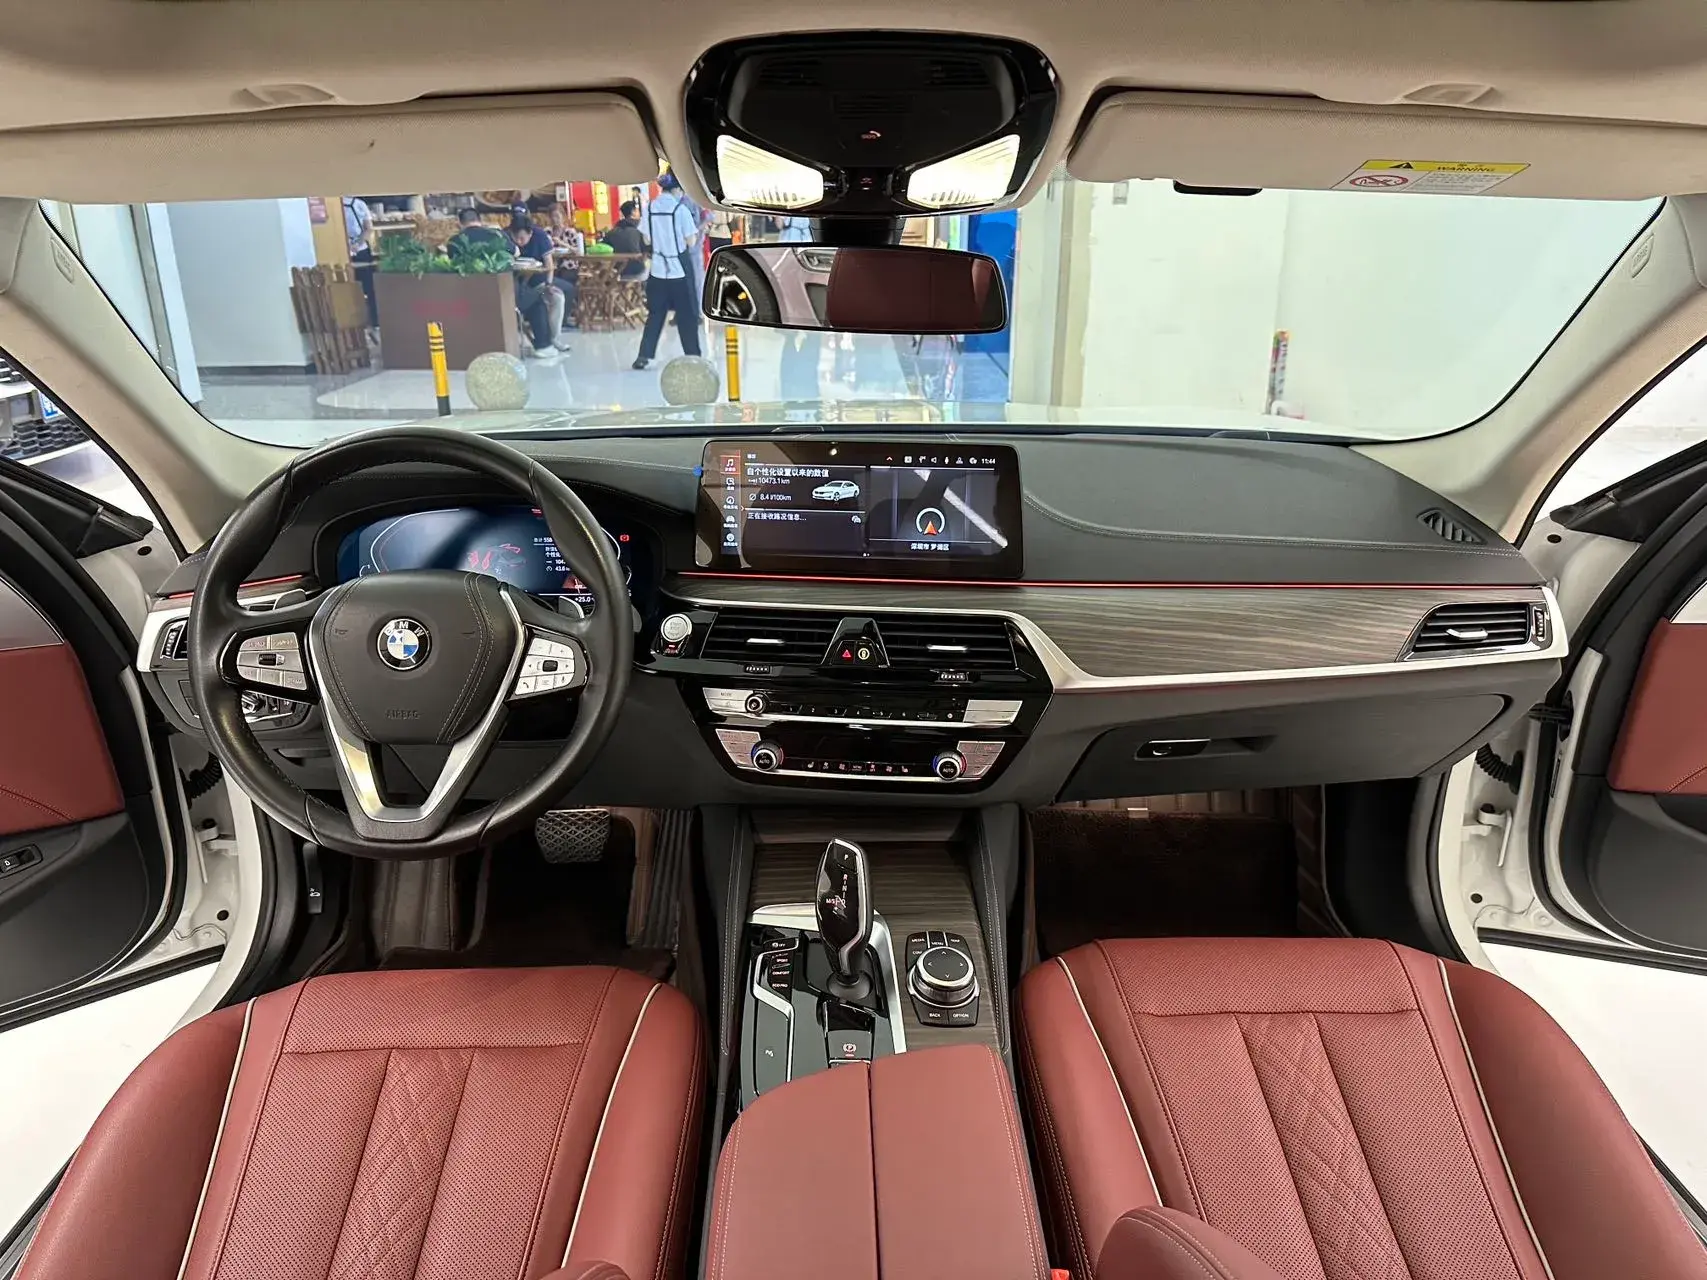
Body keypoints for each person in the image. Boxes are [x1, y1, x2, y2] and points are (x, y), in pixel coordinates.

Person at [633, 174, 702, 370]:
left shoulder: (649, 208)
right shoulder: (681, 210)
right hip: (678, 271)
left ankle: (644, 356)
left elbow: (646, 240)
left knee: (655, 314)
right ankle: (693, 355)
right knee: (686, 315)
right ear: (677, 190)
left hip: (657, 270)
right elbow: (691, 241)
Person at [505, 212, 563, 358]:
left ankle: (553, 339)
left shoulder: (540, 236)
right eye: (515, 238)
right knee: (537, 302)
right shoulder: (504, 237)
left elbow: (549, 263)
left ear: (530, 233)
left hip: (539, 282)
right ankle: (544, 343)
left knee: (557, 298)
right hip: (515, 286)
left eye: (522, 238)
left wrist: (548, 284)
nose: (519, 242)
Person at [343, 195, 378, 327]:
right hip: (362, 251)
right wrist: (358, 243)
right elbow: (369, 229)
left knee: (351, 288)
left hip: (343, 251)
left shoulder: (333, 205)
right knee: (370, 289)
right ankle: (374, 321)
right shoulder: (359, 204)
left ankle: (356, 321)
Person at [603, 200, 649, 281]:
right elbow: (647, 250)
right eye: (637, 210)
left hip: (617, 272)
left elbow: (603, 248)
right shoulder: (640, 230)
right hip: (637, 271)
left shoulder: (612, 232)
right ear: (633, 212)